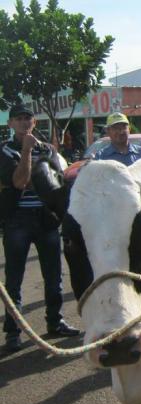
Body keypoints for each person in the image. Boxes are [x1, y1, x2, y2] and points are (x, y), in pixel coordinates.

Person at [0, 104, 79, 352]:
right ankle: (13, 332)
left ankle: (55, 322)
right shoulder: (4, 151)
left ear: (34, 123)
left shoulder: (48, 150)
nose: (25, 123)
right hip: (17, 220)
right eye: (19, 119)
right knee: (14, 279)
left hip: (46, 219)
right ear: (10, 124)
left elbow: (58, 181)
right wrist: (26, 151)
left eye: (28, 119)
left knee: (54, 276)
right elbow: (19, 182)